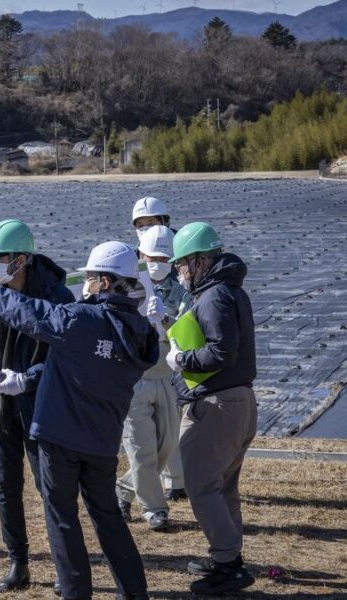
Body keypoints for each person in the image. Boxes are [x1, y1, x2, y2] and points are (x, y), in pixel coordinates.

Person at [0, 241, 158, 600]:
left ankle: (74, 590)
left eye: (93, 278)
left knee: (62, 518)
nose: (88, 284)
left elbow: (25, 312)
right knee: (108, 517)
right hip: (101, 440)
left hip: (61, 437)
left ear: (108, 282)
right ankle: (133, 591)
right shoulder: (141, 330)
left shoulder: (83, 320)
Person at [0, 219, 74, 592]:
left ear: (22, 260)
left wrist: (28, 378)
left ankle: (64, 566)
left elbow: (64, 355)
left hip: (40, 407)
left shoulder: (55, 298)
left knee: (50, 486)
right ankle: (18, 561)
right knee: (6, 484)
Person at [165, 222, 257, 595]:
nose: (179, 272)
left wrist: (180, 358)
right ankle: (227, 558)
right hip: (238, 401)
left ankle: (228, 564)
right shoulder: (230, 291)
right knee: (223, 487)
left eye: (182, 264)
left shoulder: (215, 295)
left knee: (202, 486)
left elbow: (221, 351)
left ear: (200, 261)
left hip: (217, 403)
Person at [116, 226, 191, 531]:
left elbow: (188, 332)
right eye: (152, 256)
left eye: (165, 257)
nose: (157, 262)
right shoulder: (128, 287)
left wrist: (167, 320)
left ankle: (121, 490)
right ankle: (154, 509)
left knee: (166, 446)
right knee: (140, 447)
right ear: (141, 256)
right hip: (133, 378)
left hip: (167, 376)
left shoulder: (184, 290)